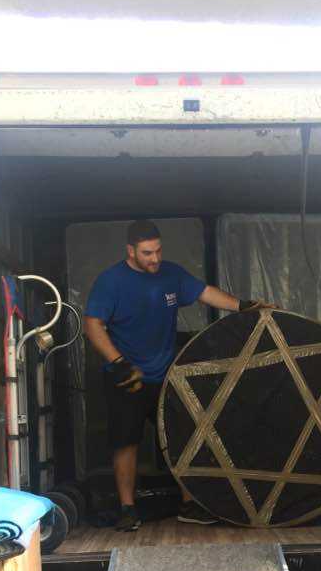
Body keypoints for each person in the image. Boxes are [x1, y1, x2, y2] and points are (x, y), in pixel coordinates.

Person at [84, 219, 270, 531]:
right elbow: (93, 325)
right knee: (126, 442)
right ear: (130, 251)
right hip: (127, 376)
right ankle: (128, 509)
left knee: (181, 437)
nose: (154, 258)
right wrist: (118, 362)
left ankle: (189, 504)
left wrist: (242, 306)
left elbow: (206, 293)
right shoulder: (111, 281)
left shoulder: (171, 274)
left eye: (157, 251)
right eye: (146, 253)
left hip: (166, 376)